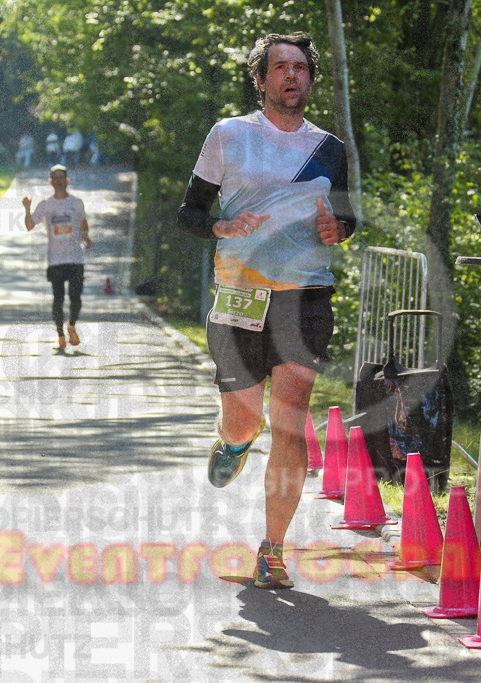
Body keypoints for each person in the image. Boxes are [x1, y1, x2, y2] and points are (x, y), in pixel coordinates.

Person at [177, 32, 356, 589]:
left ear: (309, 79)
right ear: (261, 80)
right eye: (280, 67)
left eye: (300, 67)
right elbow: (189, 212)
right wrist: (220, 226)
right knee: (247, 419)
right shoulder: (229, 134)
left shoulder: (329, 148)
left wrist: (339, 228)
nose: (291, 76)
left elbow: (346, 219)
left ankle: (272, 549)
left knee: (292, 423)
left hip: (305, 297)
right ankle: (232, 441)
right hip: (239, 295)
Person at [22, 165, 92, 351]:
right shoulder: (45, 205)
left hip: (76, 258)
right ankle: (60, 335)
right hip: (56, 260)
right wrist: (28, 209)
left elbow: (83, 224)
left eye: (62, 177)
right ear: (51, 182)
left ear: (67, 181)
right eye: (55, 178)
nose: (59, 180)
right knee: (58, 299)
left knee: (76, 297)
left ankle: (72, 325)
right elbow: (30, 226)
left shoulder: (77, 203)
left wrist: (85, 236)